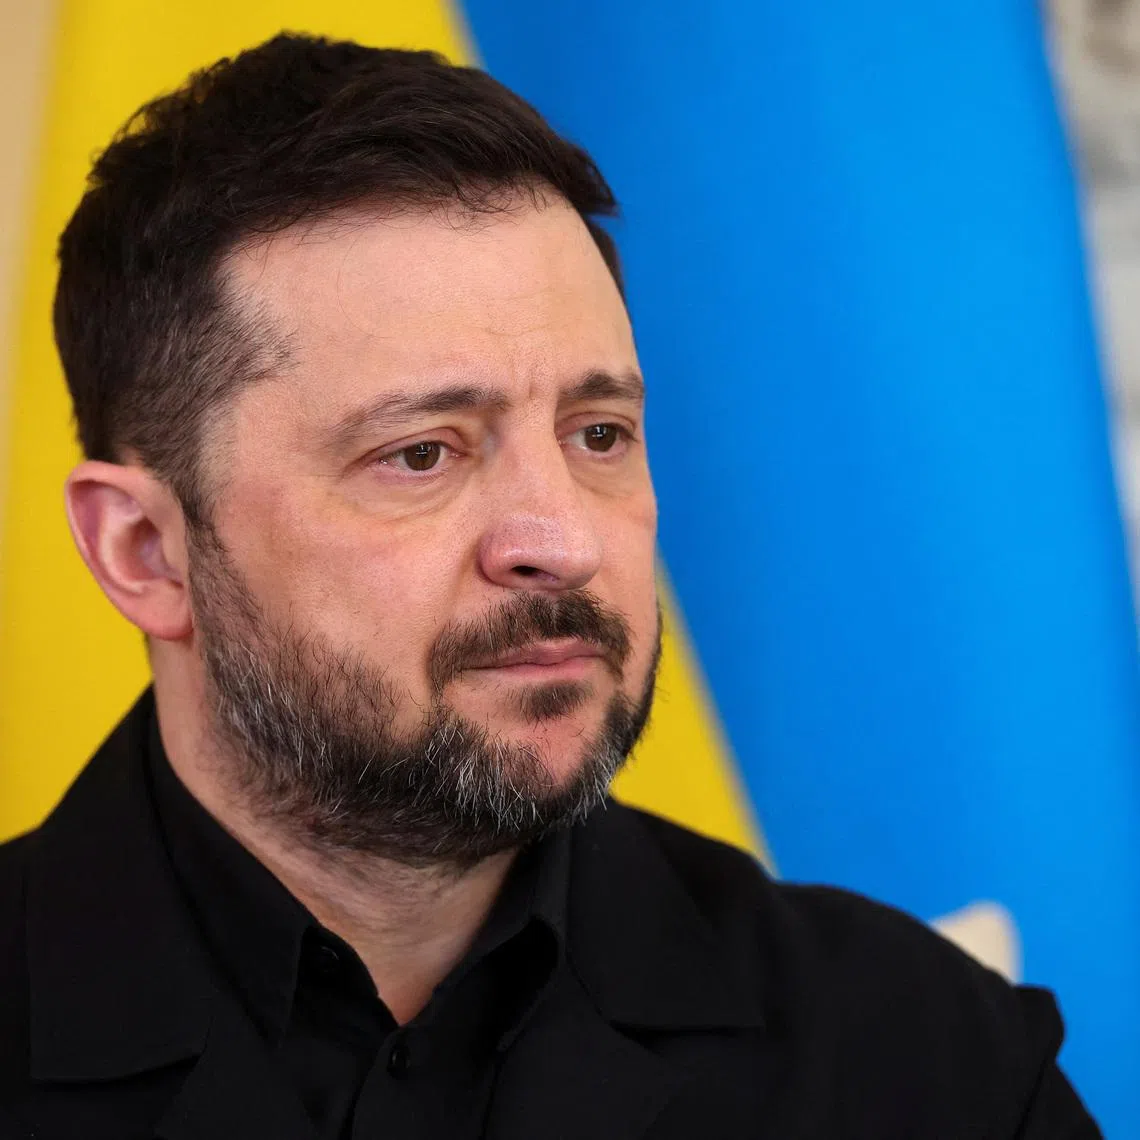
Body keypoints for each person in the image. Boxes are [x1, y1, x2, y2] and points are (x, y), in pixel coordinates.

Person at [0, 33, 1100, 1140]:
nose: (562, 538)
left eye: (599, 433)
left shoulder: (924, 1059)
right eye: (423, 452)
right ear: (145, 550)